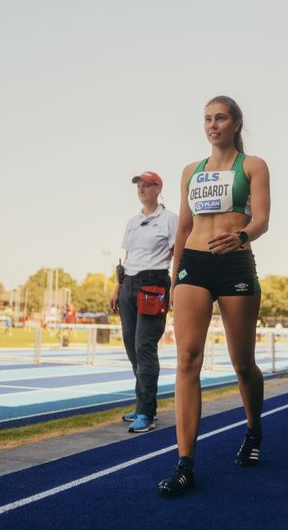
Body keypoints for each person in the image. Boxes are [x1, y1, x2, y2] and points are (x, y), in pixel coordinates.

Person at [158, 96, 270, 497]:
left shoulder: (253, 166)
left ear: (236, 123)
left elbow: (261, 220)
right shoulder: (191, 170)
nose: (212, 125)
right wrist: (175, 280)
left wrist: (241, 235)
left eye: (220, 118)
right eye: (207, 119)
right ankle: (185, 463)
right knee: (187, 358)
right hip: (194, 265)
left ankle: (254, 430)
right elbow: (183, 229)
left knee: (243, 364)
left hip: (236, 264)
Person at [111, 171, 178, 432]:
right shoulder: (132, 221)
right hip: (129, 282)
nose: (141, 189)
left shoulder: (170, 219)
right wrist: (118, 287)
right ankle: (143, 403)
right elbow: (128, 255)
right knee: (131, 345)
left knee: (144, 346)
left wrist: (174, 289)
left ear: (159, 188)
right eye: (139, 185)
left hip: (153, 282)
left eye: (147, 185)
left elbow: (178, 253)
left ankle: (147, 414)